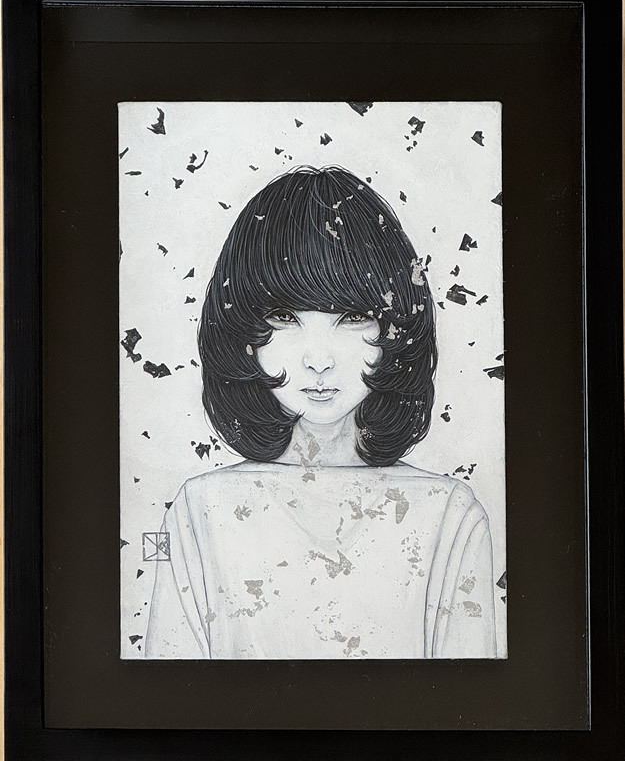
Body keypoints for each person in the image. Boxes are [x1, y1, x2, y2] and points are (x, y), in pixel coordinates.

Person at [145, 165, 496, 660]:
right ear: (242, 331)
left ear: (394, 330)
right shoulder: (199, 510)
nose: (318, 359)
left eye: (351, 317)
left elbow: (474, 699)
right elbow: (164, 694)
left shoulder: (450, 514)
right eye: (285, 317)